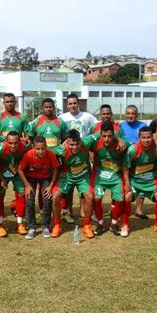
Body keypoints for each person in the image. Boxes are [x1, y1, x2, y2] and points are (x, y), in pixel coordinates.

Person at [123, 127, 157, 237]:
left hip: (150, 181)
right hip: (135, 181)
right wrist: (127, 183)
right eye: (143, 137)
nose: (147, 140)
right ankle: (125, 224)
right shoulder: (133, 150)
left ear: (152, 137)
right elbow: (125, 167)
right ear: (139, 138)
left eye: (149, 137)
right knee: (127, 197)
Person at [59, 93, 97, 224]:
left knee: (83, 182)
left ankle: (82, 210)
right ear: (66, 105)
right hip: (68, 153)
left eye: (74, 103)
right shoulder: (62, 118)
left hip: (83, 152)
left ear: (78, 103)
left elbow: (98, 127)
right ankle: (68, 210)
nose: (72, 106)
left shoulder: (88, 116)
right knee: (68, 186)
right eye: (70, 103)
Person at [52, 129, 95, 239]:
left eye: (77, 144)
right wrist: (61, 148)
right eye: (71, 144)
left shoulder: (87, 142)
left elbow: (100, 133)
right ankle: (57, 225)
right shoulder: (61, 149)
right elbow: (47, 152)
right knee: (55, 197)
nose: (75, 147)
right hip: (67, 176)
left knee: (89, 197)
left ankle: (87, 225)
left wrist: (118, 139)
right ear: (67, 142)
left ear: (81, 141)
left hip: (83, 176)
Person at [88, 122, 127, 236]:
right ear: (100, 135)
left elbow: (135, 146)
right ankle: (100, 224)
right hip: (99, 178)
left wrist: (119, 139)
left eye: (110, 136)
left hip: (116, 177)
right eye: (104, 136)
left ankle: (114, 224)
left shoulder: (121, 144)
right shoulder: (95, 144)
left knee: (120, 200)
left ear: (113, 135)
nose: (107, 139)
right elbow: (82, 143)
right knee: (97, 200)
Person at [18, 136, 60, 240]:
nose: (41, 151)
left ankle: (45, 226)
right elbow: (20, 169)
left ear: (46, 146)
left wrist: (51, 186)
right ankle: (31, 227)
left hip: (45, 178)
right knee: (29, 200)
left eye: (43, 148)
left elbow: (56, 169)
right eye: (38, 149)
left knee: (47, 199)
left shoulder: (50, 154)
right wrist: (27, 185)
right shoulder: (28, 155)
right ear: (33, 147)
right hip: (31, 178)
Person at [0, 131, 29, 235]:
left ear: (20, 141)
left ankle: (20, 224)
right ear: (6, 142)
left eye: (16, 143)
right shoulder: (0, 149)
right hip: (3, 173)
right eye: (10, 143)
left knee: (21, 194)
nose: (13, 145)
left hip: (17, 173)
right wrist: (2, 179)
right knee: (0, 196)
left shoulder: (24, 147)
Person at [120, 105, 148, 220]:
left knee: (141, 182)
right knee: (124, 183)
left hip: (139, 159)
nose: (130, 116)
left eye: (133, 114)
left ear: (137, 114)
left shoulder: (143, 126)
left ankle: (138, 209)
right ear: (125, 114)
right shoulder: (121, 126)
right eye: (128, 113)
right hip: (124, 158)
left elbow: (148, 139)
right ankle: (123, 209)